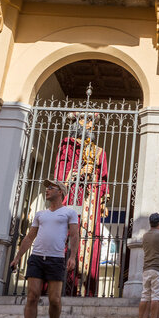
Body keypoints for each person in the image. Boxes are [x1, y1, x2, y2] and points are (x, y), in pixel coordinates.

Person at [10, 179, 79, 318]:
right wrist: (18, 257)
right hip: (37, 258)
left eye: (51, 188)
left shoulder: (69, 212)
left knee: (54, 299)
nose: (47, 190)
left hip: (56, 259)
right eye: (46, 188)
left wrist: (72, 257)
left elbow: (74, 235)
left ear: (60, 192)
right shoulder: (40, 214)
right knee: (32, 296)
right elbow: (30, 237)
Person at [53, 113, 107, 297]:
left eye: (92, 121)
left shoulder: (99, 151)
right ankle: (64, 285)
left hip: (91, 197)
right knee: (69, 233)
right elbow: (61, 174)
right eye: (86, 120)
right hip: (73, 196)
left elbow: (103, 178)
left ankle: (84, 289)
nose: (90, 125)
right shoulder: (68, 145)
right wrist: (79, 172)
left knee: (89, 236)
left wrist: (103, 199)